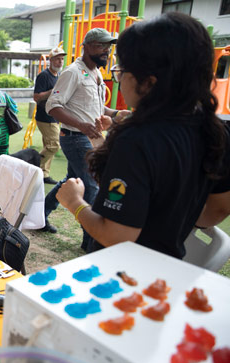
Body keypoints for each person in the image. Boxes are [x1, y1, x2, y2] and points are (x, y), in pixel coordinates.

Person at [56, 13, 228, 259]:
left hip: (121, 276)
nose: (119, 79)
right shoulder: (215, 130)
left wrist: (75, 203)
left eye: (122, 71)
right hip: (169, 267)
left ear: (148, 82)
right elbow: (216, 210)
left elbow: (115, 236)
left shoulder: (136, 140)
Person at [42, 28, 131, 243]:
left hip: (90, 136)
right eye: (101, 46)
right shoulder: (73, 72)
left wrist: (115, 113)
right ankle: (91, 240)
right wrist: (82, 125)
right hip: (75, 137)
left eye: (108, 47)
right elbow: (52, 106)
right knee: (92, 185)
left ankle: (38, 215)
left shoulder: (96, 73)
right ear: (87, 47)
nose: (106, 51)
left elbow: (95, 107)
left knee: (71, 180)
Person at [34, 47, 66, 185]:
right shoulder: (44, 76)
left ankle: (43, 174)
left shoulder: (58, 76)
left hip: (54, 116)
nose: (60, 62)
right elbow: (36, 97)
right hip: (45, 117)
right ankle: (34, 164)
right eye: (57, 59)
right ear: (51, 60)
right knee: (54, 145)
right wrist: (52, 91)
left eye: (62, 59)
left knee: (49, 145)